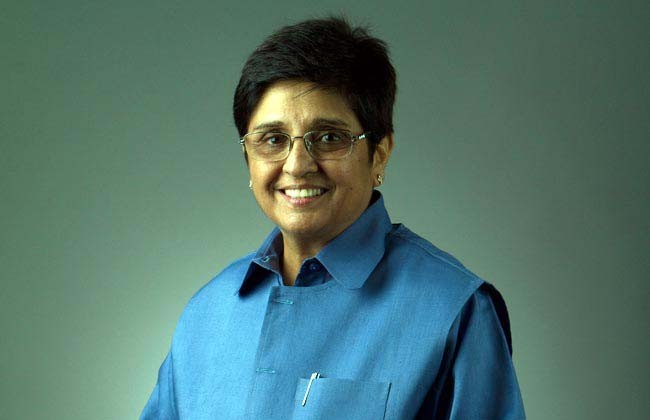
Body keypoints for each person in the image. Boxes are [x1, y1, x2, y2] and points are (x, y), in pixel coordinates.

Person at [140, 17, 525, 419]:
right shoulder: (207, 313)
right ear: (247, 157)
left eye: (328, 138)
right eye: (273, 140)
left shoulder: (454, 309)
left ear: (379, 154)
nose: (297, 165)